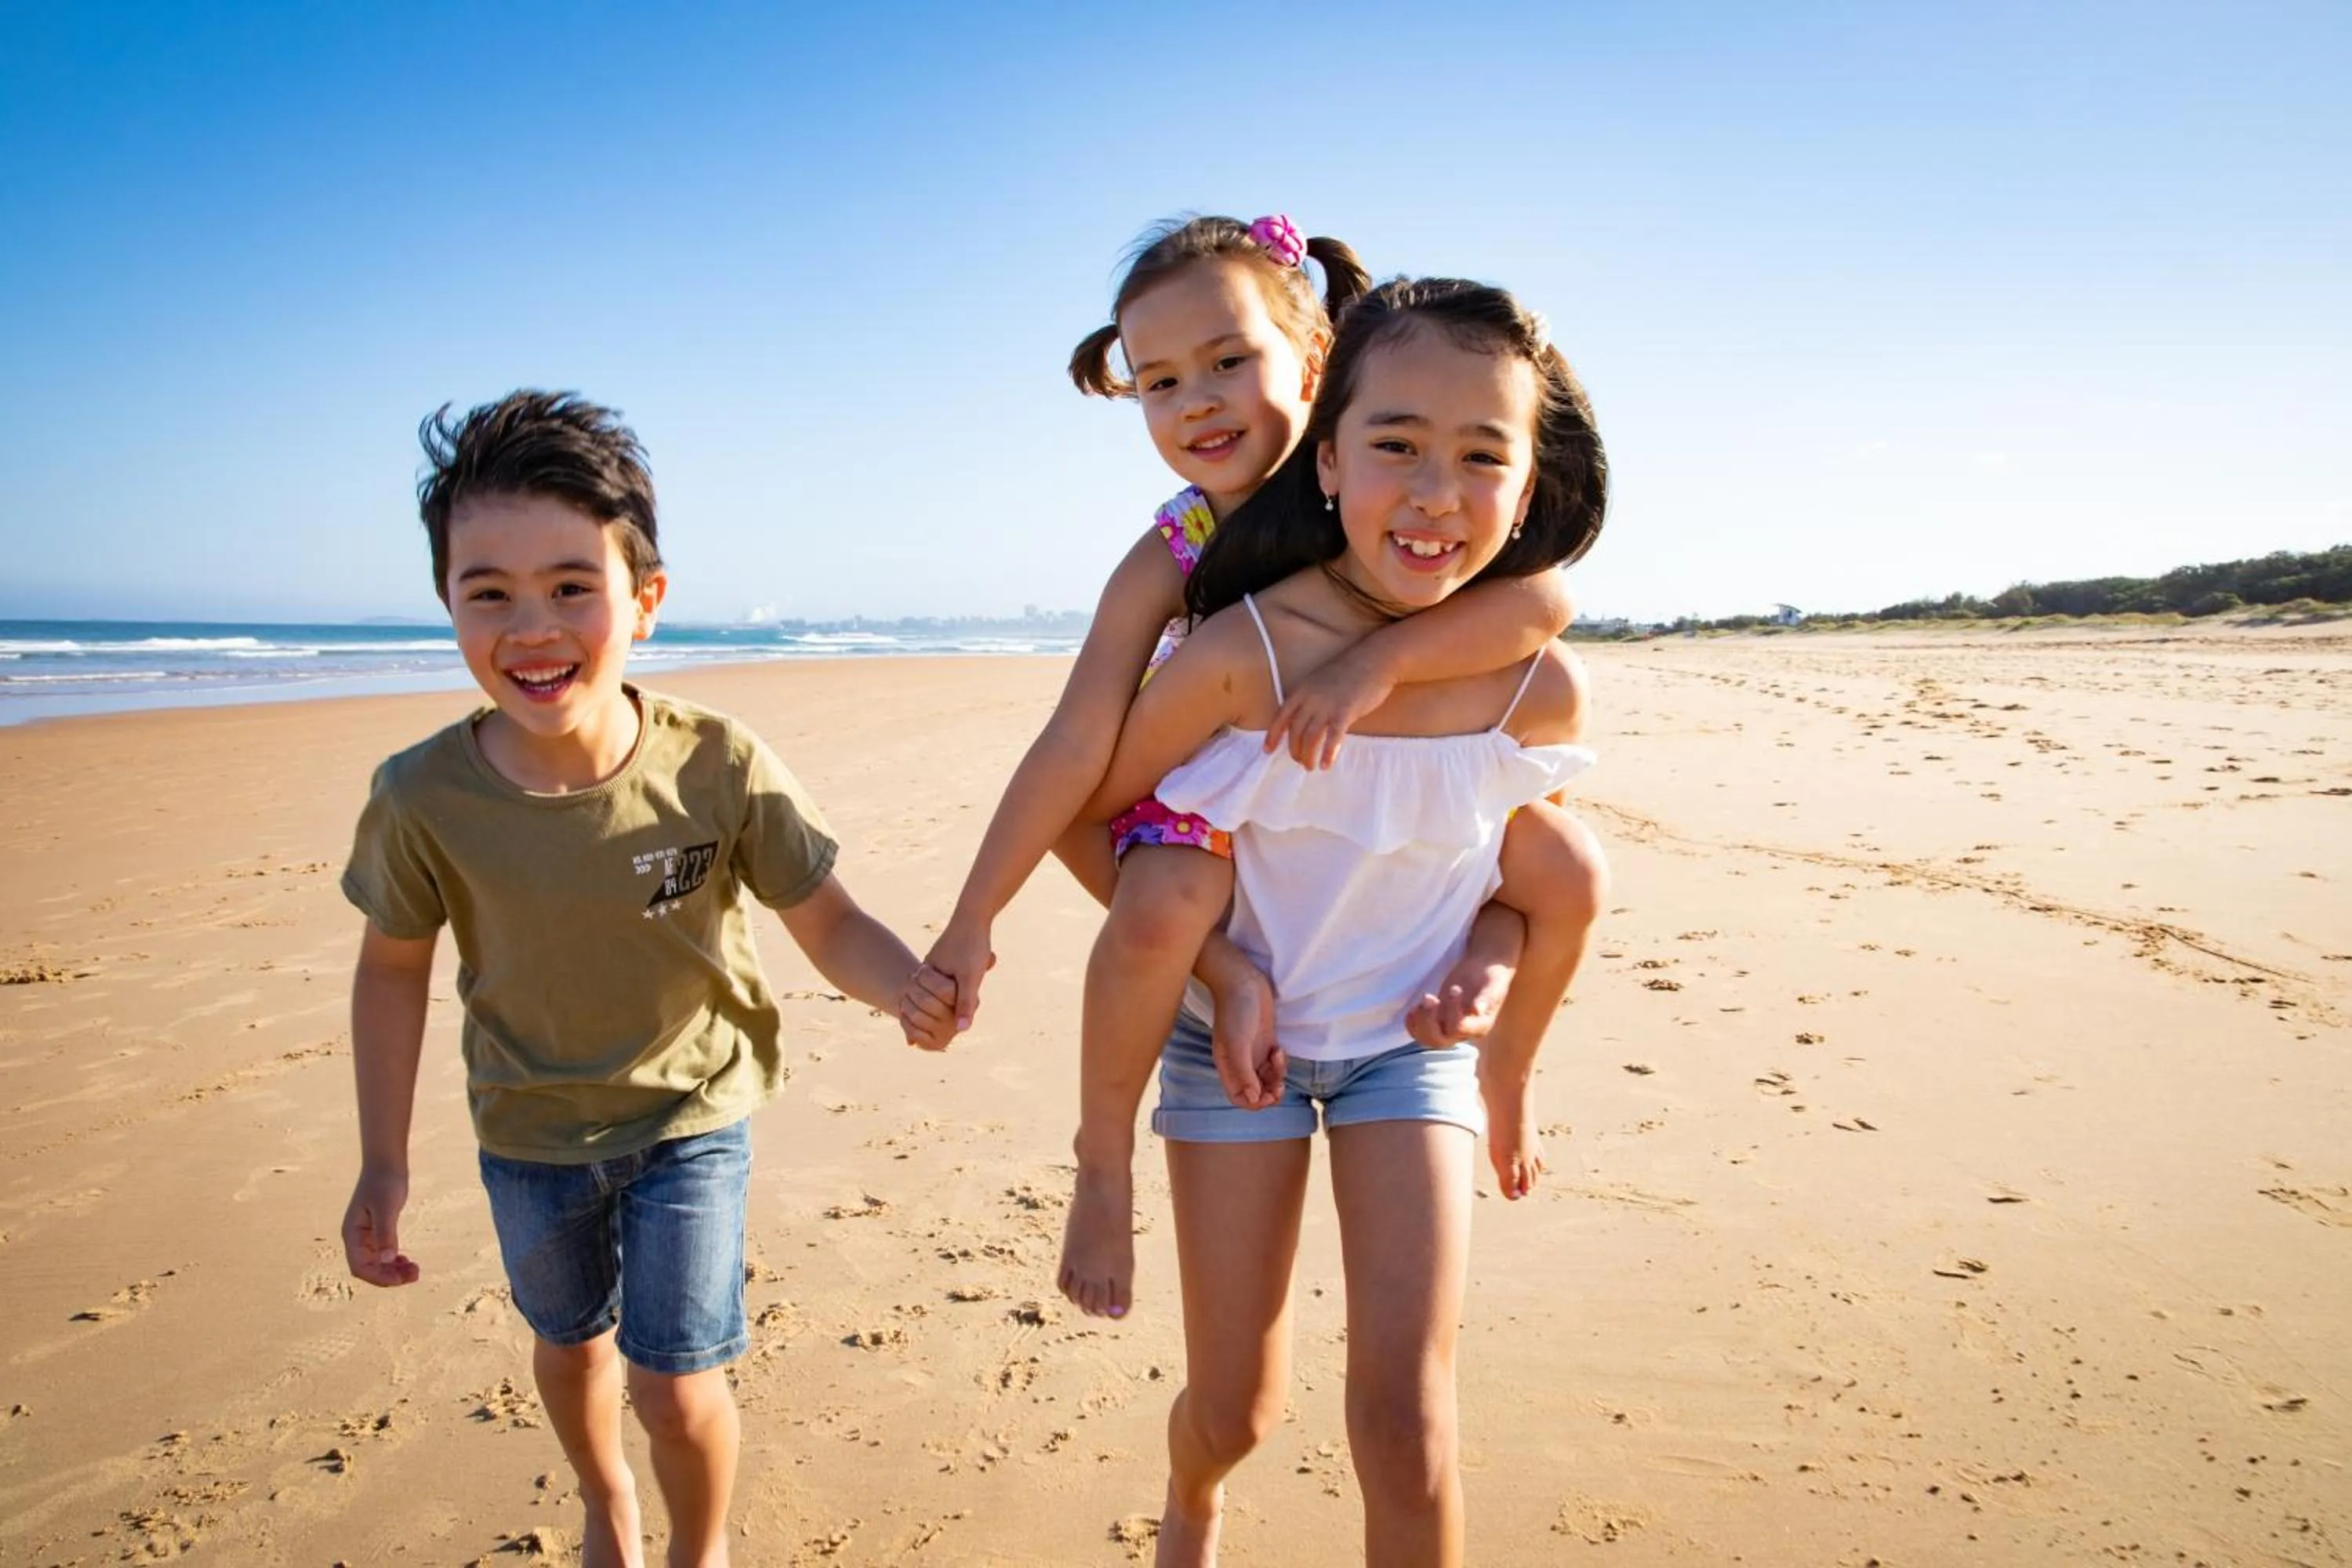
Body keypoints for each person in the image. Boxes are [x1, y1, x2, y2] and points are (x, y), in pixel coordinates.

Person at [911, 216, 1606, 1322]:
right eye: (1160, 381)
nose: (1198, 400)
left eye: (1231, 361)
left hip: (1355, 811)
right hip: (1211, 801)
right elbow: (1078, 739)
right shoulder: (1178, 546)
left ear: (1316, 365)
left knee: (1564, 860)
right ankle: (1102, 1164)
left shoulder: (1388, 479)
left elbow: (1548, 598)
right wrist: (971, 918)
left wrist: (1378, 664)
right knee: (1166, 906)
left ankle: (1501, 1056)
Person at [337, 391, 954, 1568]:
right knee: (569, 1347)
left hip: (692, 1116)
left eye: (573, 587)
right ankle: (604, 1497)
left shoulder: (716, 765)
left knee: (678, 1381)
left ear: (645, 602)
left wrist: (906, 987)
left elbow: (825, 920)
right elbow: (390, 973)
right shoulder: (422, 798)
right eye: (490, 593)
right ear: (449, 606)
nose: (533, 626)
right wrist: (383, 1159)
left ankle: (699, 1547)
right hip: (528, 1127)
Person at [1073, 277, 1606, 1566]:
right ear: (1326, 461)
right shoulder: (1239, 656)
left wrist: (1488, 981)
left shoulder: (1535, 688)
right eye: (1396, 447)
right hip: (1225, 1048)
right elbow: (1096, 825)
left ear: (1526, 493)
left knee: (1406, 1421)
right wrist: (1221, 966)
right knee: (1236, 1411)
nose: (1435, 494)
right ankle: (1194, 1495)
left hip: (1405, 1055)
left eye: (1483, 457)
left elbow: (1524, 884)